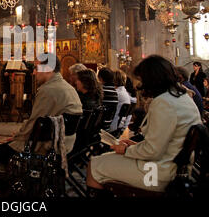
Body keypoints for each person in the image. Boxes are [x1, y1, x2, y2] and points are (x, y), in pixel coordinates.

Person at [86, 55, 202, 196]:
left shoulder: (164, 103)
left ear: (152, 79)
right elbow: (163, 142)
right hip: (173, 167)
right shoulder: (182, 97)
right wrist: (133, 146)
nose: (140, 85)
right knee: (106, 160)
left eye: (142, 80)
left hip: (157, 174)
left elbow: (152, 151)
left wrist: (126, 150)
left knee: (95, 164)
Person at [0, 53, 83, 166]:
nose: (33, 72)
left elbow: (35, 123)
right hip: (67, 142)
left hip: (49, 146)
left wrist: (17, 136)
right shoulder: (68, 87)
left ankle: (17, 182)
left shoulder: (48, 90)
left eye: (36, 68)